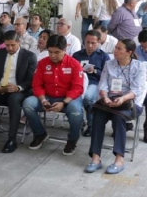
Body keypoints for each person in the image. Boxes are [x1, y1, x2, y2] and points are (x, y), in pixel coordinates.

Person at [86, 39, 145, 174]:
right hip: (110, 100)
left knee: (119, 118)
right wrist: (105, 97)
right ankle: (96, 158)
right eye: (115, 48)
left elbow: (137, 90)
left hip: (130, 102)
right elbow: (103, 84)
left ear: (129, 52)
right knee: (98, 115)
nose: (115, 51)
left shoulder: (139, 67)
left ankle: (119, 159)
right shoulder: (109, 64)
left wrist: (122, 99)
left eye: (119, 49)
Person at [22, 34, 84, 155]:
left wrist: (64, 103)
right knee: (28, 103)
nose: (53, 56)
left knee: (76, 111)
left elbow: (78, 88)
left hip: (69, 99)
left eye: (57, 52)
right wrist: (43, 100)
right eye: (50, 52)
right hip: (48, 97)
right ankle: (40, 133)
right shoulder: (42, 64)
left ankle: (72, 139)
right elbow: (37, 85)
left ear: (65, 50)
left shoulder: (74, 64)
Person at [0, 31, 37, 153]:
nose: (10, 48)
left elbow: (30, 79)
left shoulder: (29, 56)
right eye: (7, 45)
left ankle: (11, 139)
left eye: (12, 45)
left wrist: (17, 87)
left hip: (19, 90)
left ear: (19, 42)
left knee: (14, 100)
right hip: (0, 89)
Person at [72, 30, 110, 137]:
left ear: (99, 43)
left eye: (93, 43)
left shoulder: (103, 56)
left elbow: (106, 75)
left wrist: (95, 71)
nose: (89, 45)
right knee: (74, 97)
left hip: (94, 82)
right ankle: (79, 121)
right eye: (87, 42)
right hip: (78, 81)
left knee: (88, 97)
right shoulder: (77, 55)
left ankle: (91, 125)